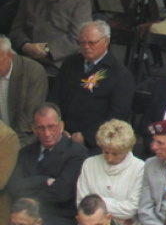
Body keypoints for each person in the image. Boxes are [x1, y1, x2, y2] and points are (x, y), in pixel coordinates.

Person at [47, 22, 134, 152]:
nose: (86, 47)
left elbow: (117, 117)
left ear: (106, 41)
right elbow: (54, 98)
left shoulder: (120, 75)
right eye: (82, 43)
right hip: (60, 135)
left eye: (91, 43)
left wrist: (87, 137)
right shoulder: (70, 64)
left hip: (94, 144)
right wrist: (57, 127)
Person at [10, 104, 88, 225]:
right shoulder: (25, 153)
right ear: (34, 129)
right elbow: (14, 187)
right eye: (41, 128)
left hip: (58, 217)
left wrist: (30, 200)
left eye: (51, 127)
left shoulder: (76, 152)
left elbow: (62, 193)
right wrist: (44, 181)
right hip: (22, 217)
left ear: (61, 126)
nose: (47, 133)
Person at [10, 0, 91, 74]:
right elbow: (16, 29)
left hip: (58, 61)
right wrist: (25, 45)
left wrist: (47, 49)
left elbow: (78, 37)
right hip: (25, 56)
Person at [75, 120, 144, 224]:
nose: (109, 158)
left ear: (126, 150)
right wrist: (115, 208)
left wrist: (97, 203)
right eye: (106, 152)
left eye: (115, 154)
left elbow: (132, 208)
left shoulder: (140, 168)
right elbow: (82, 204)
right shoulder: (89, 164)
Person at [0, 34, 48, 147]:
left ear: (9, 55)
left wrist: (8, 148)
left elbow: (28, 122)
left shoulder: (32, 72)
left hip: (26, 141)